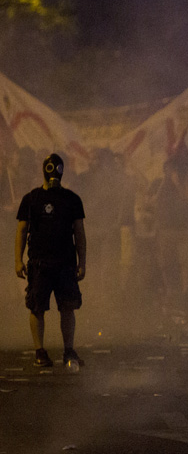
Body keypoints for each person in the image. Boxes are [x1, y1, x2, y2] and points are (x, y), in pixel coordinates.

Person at [14, 153, 87, 368]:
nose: (54, 172)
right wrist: (17, 260)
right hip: (40, 264)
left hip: (65, 264)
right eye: (51, 168)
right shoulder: (31, 199)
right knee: (37, 307)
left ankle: (68, 350)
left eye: (57, 168)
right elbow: (21, 231)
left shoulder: (72, 200)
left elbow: (79, 233)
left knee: (68, 307)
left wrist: (82, 263)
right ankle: (40, 351)